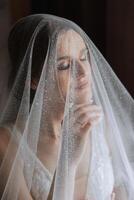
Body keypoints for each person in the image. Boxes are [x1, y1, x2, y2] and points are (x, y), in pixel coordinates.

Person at [0, 14, 133, 200]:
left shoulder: (102, 121)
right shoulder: (6, 145)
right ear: (34, 81)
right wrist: (67, 160)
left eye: (84, 56)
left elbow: (124, 188)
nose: (83, 72)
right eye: (64, 65)